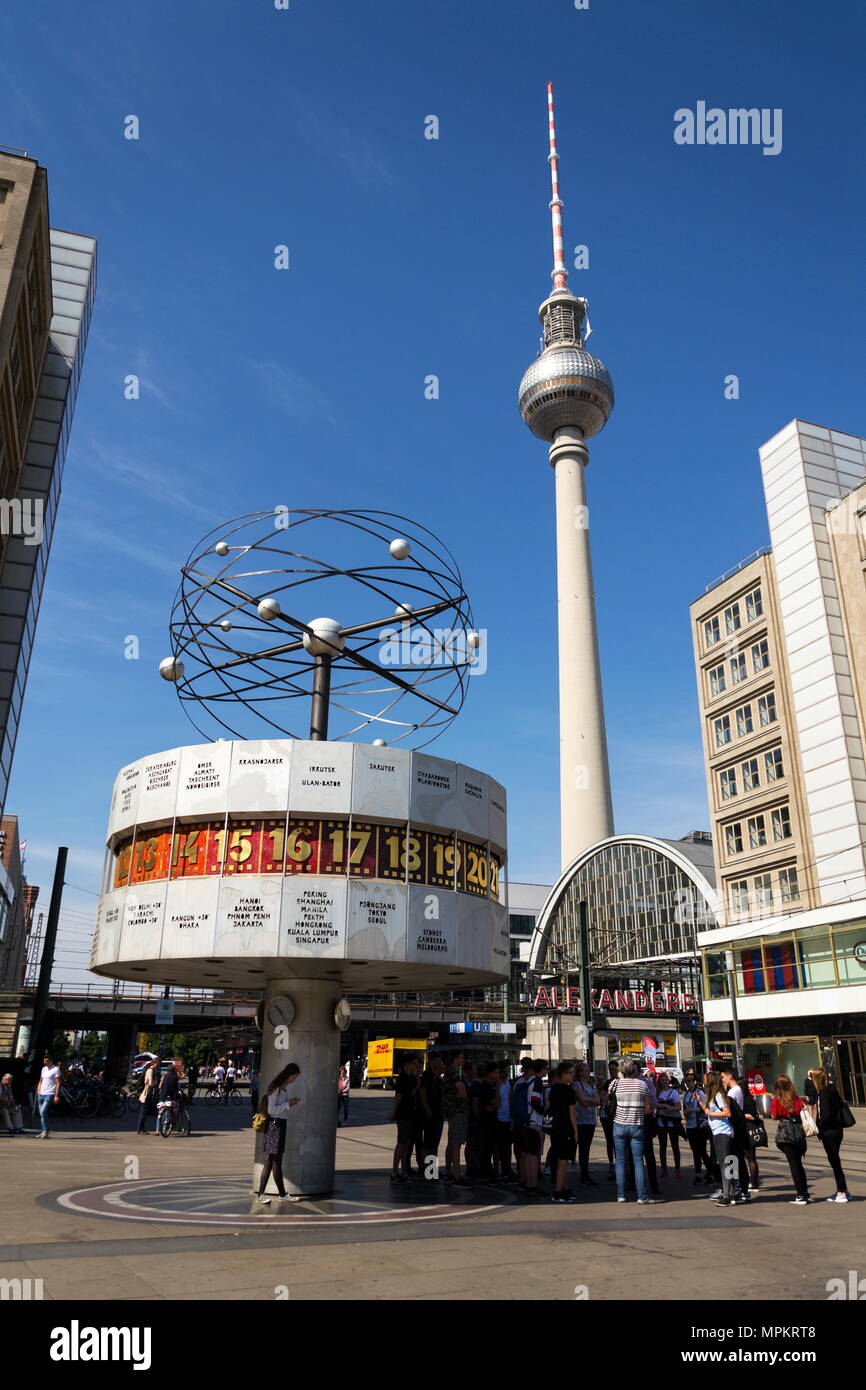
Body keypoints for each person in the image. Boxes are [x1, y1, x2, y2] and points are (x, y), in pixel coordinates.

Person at [610, 1059, 659, 1204]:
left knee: (620, 1160)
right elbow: (647, 1109)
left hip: (618, 1125)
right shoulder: (642, 1084)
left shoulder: (615, 1083)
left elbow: (607, 1099)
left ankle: (621, 1195)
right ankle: (642, 1196)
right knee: (638, 1161)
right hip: (637, 1125)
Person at [256, 1063, 301, 1203]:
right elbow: (271, 1110)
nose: (294, 1080)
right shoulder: (276, 1089)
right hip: (275, 1125)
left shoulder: (282, 1089)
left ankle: (268, 1194)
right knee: (274, 1161)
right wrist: (288, 1104)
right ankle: (277, 1195)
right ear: (288, 1075)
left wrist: (288, 1103)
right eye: (294, 1076)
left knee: (272, 1161)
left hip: (279, 1124)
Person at [700, 1071, 740, 1206]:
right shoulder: (714, 1095)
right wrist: (700, 1102)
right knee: (729, 1161)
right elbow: (709, 1110)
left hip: (723, 1132)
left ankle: (727, 1194)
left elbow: (727, 1113)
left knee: (724, 1164)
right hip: (720, 1132)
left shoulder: (718, 1095)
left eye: (706, 1080)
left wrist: (711, 1113)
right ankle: (733, 1191)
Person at [811, 1067, 850, 1203]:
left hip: (830, 1131)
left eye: (811, 1077)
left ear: (817, 1079)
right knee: (835, 1160)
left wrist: (818, 1127)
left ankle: (841, 1192)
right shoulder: (831, 1090)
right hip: (837, 1129)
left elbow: (826, 1116)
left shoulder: (824, 1093)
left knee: (834, 1161)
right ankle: (843, 1190)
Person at [771, 1075, 810, 1204]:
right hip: (798, 1132)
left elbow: (774, 1116)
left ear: (777, 1087)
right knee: (798, 1164)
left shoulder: (777, 1100)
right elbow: (801, 1110)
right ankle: (804, 1192)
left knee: (793, 1165)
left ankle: (800, 1195)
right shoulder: (796, 1098)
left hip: (786, 1134)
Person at [548, 1062, 578, 1203]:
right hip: (565, 1128)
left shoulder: (553, 1090)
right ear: (564, 1074)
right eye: (570, 1073)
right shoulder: (568, 1091)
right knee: (563, 1161)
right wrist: (575, 1131)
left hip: (555, 1128)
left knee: (561, 1160)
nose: (572, 1076)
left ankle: (564, 1188)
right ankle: (558, 1191)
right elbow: (572, 1112)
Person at [389, 1055, 420, 1184]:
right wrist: (394, 1113)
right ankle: (395, 1172)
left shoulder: (411, 1078)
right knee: (401, 1144)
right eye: (413, 1063)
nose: (415, 1066)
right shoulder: (402, 1079)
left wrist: (416, 1080)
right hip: (403, 1115)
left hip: (410, 1114)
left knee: (406, 1144)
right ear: (406, 1064)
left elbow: (412, 1094)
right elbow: (399, 1097)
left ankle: (404, 1171)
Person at [682, 1071, 716, 1186]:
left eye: (691, 1080)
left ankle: (710, 1174)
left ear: (695, 1081)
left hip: (700, 1126)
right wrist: (685, 1112)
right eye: (687, 1080)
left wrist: (692, 1110)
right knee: (695, 1152)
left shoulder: (699, 1093)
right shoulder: (686, 1094)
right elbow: (685, 1107)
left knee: (702, 1151)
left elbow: (705, 1108)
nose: (689, 1082)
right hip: (690, 1126)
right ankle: (698, 1174)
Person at [572, 1060, 600, 1186]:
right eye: (585, 1070)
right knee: (582, 1147)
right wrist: (590, 1100)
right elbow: (582, 1101)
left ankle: (585, 1174)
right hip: (580, 1120)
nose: (588, 1073)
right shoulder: (577, 1085)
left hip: (590, 1120)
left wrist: (589, 1101)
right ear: (579, 1072)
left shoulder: (592, 1084)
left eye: (588, 1070)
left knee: (587, 1147)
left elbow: (598, 1100)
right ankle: (583, 1175)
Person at [418, 1053, 444, 1179]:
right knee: (428, 1143)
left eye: (440, 1061)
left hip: (438, 1114)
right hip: (430, 1115)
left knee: (434, 1144)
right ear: (431, 1061)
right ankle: (426, 1169)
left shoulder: (437, 1076)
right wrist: (428, 1110)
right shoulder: (427, 1075)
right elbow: (423, 1094)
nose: (439, 1063)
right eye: (437, 1060)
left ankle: (432, 1169)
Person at [655, 1072, 683, 1178]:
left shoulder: (674, 1092)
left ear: (668, 1081)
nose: (664, 1082)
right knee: (662, 1146)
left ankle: (677, 1169)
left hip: (673, 1123)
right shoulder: (658, 1092)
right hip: (661, 1123)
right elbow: (655, 1104)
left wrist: (671, 1108)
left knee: (675, 1146)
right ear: (659, 1081)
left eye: (666, 1080)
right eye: (662, 1080)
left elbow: (679, 1107)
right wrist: (665, 1106)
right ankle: (664, 1169)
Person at [477, 1062, 500, 1182]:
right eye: (495, 1073)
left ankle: (488, 1170)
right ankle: (485, 1171)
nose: (497, 1075)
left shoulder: (491, 1086)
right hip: (486, 1121)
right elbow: (492, 1104)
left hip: (492, 1120)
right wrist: (498, 1090)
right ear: (490, 1073)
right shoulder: (485, 1087)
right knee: (486, 1147)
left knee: (490, 1147)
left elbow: (497, 1103)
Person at [597, 1061, 619, 1181]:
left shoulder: (622, 1082)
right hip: (607, 1116)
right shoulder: (607, 1083)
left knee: (618, 1142)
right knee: (610, 1141)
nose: (612, 1071)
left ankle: (620, 1166)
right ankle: (612, 1166)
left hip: (618, 1115)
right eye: (610, 1069)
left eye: (614, 1069)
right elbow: (602, 1098)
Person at [495, 1061, 516, 1182]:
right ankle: (499, 1169)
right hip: (499, 1118)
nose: (507, 1073)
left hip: (508, 1118)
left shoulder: (508, 1082)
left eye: (508, 1070)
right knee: (500, 1146)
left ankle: (506, 1169)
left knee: (507, 1146)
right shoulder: (497, 1083)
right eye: (504, 1071)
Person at [463, 1060, 481, 1180]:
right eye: (473, 1069)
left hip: (468, 1116)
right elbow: (473, 1103)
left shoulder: (470, 1083)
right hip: (469, 1117)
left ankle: (472, 1166)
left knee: (472, 1144)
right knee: (472, 1144)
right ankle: (472, 1166)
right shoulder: (467, 1084)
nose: (474, 1072)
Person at [36, 1053, 61, 1139]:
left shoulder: (56, 1069)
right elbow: (41, 1080)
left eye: (46, 1061)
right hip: (41, 1093)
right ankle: (44, 1131)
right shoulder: (43, 1069)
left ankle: (45, 1130)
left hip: (50, 1093)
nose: (44, 1063)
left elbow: (58, 1083)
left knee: (43, 1112)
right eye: (44, 1061)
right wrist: (38, 1090)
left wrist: (56, 1095)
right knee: (42, 1114)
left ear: (51, 1061)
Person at [136, 1056, 160, 1135]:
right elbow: (150, 1083)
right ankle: (140, 1129)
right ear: (155, 1063)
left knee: (144, 1113)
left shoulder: (151, 1070)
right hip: (146, 1094)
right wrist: (155, 1082)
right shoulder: (150, 1070)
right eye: (158, 1064)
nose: (158, 1065)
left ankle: (142, 1129)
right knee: (143, 1113)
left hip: (147, 1093)